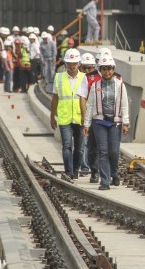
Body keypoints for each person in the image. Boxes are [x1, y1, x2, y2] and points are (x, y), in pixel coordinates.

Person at [82, 56, 129, 190]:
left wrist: (125, 122)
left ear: (113, 70)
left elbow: (124, 105)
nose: (107, 72)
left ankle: (114, 173)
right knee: (103, 151)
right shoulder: (95, 86)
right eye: (104, 69)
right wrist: (86, 124)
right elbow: (90, 105)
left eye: (109, 69)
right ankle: (105, 181)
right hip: (99, 122)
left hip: (115, 122)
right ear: (100, 70)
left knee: (113, 152)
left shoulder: (120, 85)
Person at [50, 48, 88, 182]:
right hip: (65, 118)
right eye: (69, 63)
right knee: (67, 145)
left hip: (80, 118)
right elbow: (55, 98)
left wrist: (86, 116)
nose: (72, 66)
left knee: (79, 149)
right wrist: (52, 116)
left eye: (74, 63)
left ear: (79, 64)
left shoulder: (84, 78)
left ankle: (75, 169)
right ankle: (69, 172)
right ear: (65, 64)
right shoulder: (59, 77)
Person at [79, 53, 96, 177]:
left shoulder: (96, 80)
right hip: (80, 116)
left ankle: (94, 166)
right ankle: (85, 166)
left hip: (95, 116)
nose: (87, 71)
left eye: (89, 68)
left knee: (94, 143)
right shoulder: (79, 79)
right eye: (84, 68)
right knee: (83, 142)